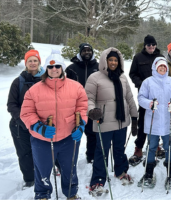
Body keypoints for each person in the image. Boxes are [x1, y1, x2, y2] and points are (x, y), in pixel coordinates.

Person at [20, 49, 88, 200]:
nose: (54, 69)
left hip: (68, 138)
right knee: (42, 170)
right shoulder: (34, 90)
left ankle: (71, 193)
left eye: (57, 66)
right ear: (46, 69)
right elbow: (26, 113)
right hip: (42, 139)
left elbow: (82, 108)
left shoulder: (76, 87)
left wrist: (81, 124)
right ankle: (42, 194)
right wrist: (38, 127)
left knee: (69, 169)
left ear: (62, 68)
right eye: (50, 67)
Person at [86, 48, 138, 194]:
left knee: (119, 148)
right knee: (101, 151)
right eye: (111, 60)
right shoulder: (95, 77)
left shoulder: (122, 77)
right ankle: (98, 179)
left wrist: (134, 118)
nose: (113, 62)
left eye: (116, 60)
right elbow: (88, 98)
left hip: (122, 121)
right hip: (103, 121)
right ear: (105, 61)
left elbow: (129, 98)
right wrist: (91, 111)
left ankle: (121, 171)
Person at [137, 57, 171, 188]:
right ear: (155, 68)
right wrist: (149, 104)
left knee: (169, 147)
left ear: (167, 69)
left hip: (168, 120)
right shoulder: (148, 82)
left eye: (164, 67)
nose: (162, 69)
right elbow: (141, 97)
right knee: (151, 147)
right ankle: (149, 173)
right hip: (153, 122)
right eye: (159, 67)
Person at [7, 49, 45, 189]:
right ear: (26, 63)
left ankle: (44, 173)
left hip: (40, 124)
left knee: (43, 150)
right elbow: (11, 105)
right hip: (20, 125)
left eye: (35, 60)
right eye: (30, 61)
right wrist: (23, 120)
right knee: (25, 153)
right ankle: (29, 179)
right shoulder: (18, 82)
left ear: (39, 62)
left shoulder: (45, 80)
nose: (33, 63)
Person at [129, 35, 164, 165]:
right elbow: (132, 74)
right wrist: (142, 84)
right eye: (149, 45)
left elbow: (165, 74)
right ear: (145, 45)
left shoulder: (160, 58)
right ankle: (139, 147)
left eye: (153, 45)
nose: (151, 47)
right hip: (144, 95)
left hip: (158, 96)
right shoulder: (138, 57)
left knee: (157, 120)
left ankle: (155, 145)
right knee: (143, 121)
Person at [65, 43, 99, 163]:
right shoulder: (71, 68)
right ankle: (69, 158)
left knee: (92, 133)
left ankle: (91, 156)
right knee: (73, 133)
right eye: (84, 51)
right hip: (74, 107)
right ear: (80, 52)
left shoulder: (98, 67)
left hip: (92, 105)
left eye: (89, 50)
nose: (87, 52)